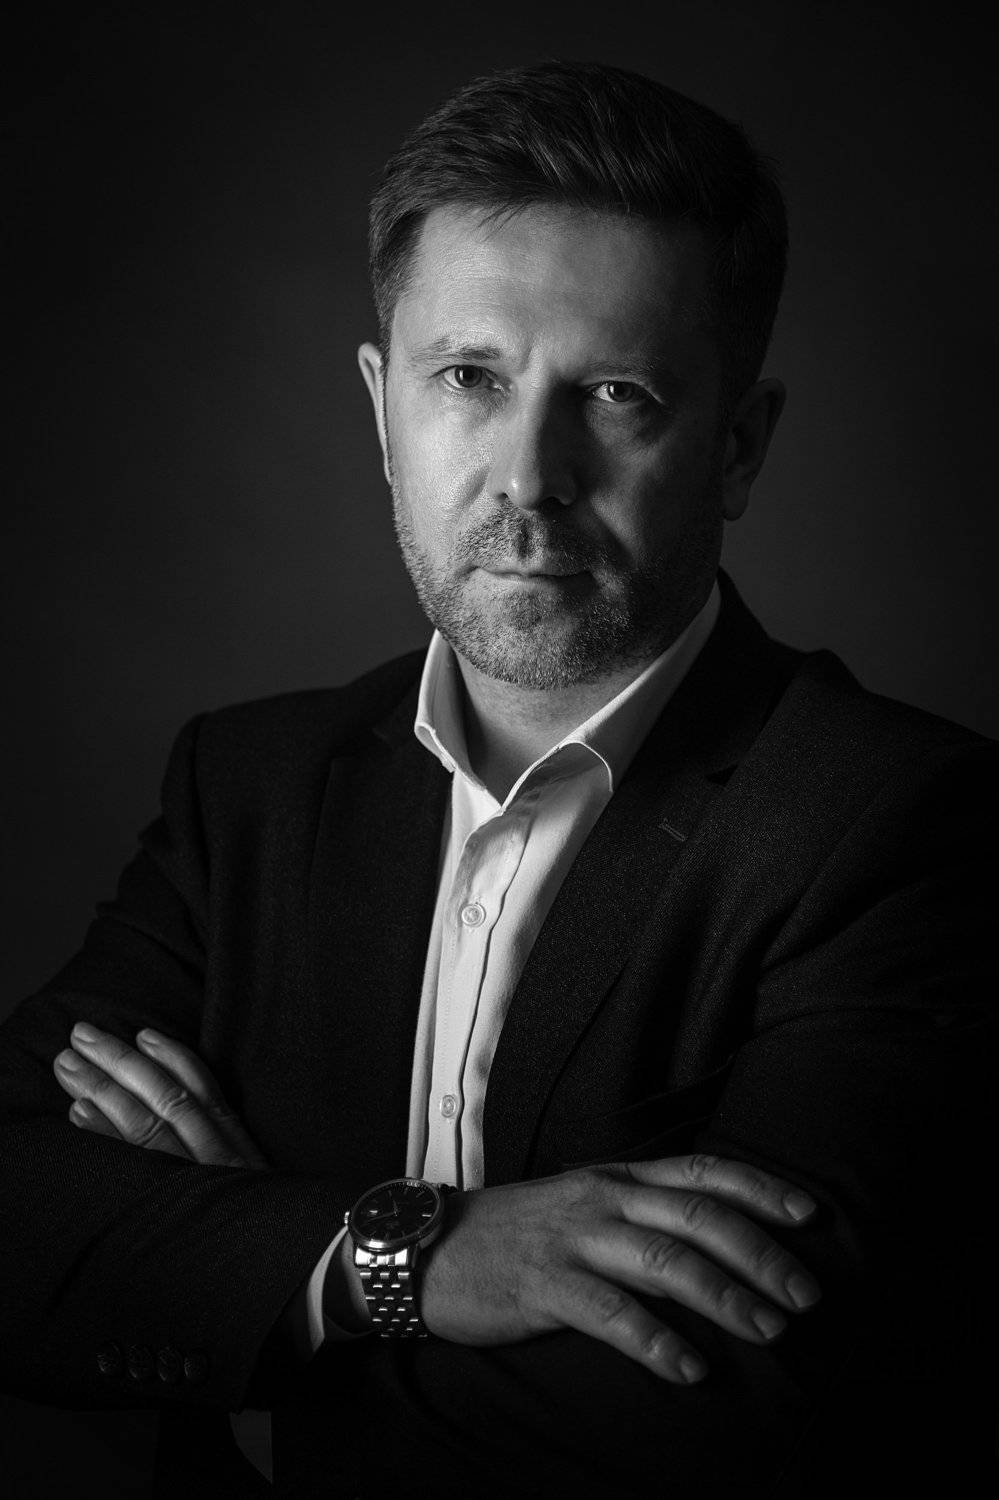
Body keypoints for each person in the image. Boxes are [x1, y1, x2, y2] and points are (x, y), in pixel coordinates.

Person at [1, 60, 996, 1497]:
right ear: (381, 410)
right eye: (469, 378)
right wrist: (416, 1260)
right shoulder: (250, 787)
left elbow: (733, 1408)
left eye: (616, 394)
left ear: (738, 447)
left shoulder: (903, 826)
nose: (531, 475)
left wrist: (249, 1282)